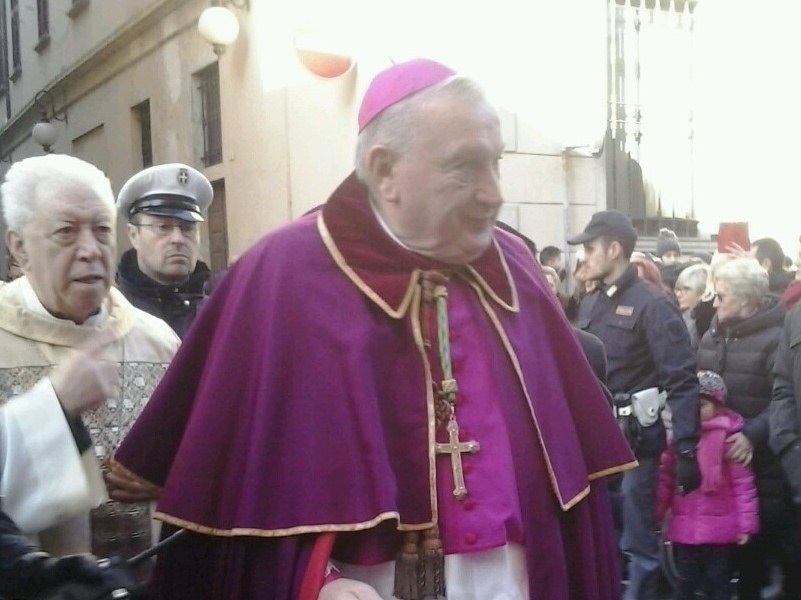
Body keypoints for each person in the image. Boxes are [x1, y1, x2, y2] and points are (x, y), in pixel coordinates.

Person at [111, 58, 635, 600]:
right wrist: (317, 581)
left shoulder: (516, 268)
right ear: (384, 170)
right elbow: (248, 504)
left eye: (495, 163)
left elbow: (573, 500)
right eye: (466, 167)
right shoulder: (283, 275)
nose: (493, 194)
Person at [0, 154, 179, 563]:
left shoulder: (159, 342)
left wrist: (171, 481)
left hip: (152, 580)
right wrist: (53, 406)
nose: (90, 250)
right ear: (19, 247)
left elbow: (210, 462)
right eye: (66, 232)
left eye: (101, 230)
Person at [568, 209, 701, 600]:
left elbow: (681, 378)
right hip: (594, 441)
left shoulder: (653, 304)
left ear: (614, 249)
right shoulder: (591, 300)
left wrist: (687, 446)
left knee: (638, 543)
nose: (584, 257)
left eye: (590, 249)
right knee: (602, 539)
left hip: (634, 444)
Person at [696, 257, 794, 600]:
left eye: (722, 296)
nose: (714, 303)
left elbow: (786, 400)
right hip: (717, 467)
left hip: (762, 465)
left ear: (748, 301)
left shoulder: (779, 339)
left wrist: (753, 435)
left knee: (756, 556)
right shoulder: (711, 335)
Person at [655, 370, 759, 600]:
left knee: (718, 582)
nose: (694, 412)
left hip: (720, 532)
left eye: (701, 405)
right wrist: (658, 512)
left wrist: (746, 525)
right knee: (684, 582)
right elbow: (666, 480)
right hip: (685, 528)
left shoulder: (729, 440)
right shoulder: (676, 441)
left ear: (718, 406)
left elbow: (743, 486)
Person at [115, 163, 214, 339]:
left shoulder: (220, 312)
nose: (178, 239)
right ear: (133, 235)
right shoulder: (111, 316)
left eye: (188, 228)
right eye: (163, 227)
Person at [673, 263, 711, 349]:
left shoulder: (706, 323)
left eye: (686, 289)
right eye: (678, 289)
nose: (678, 294)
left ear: (703, 291)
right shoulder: (679, 316)